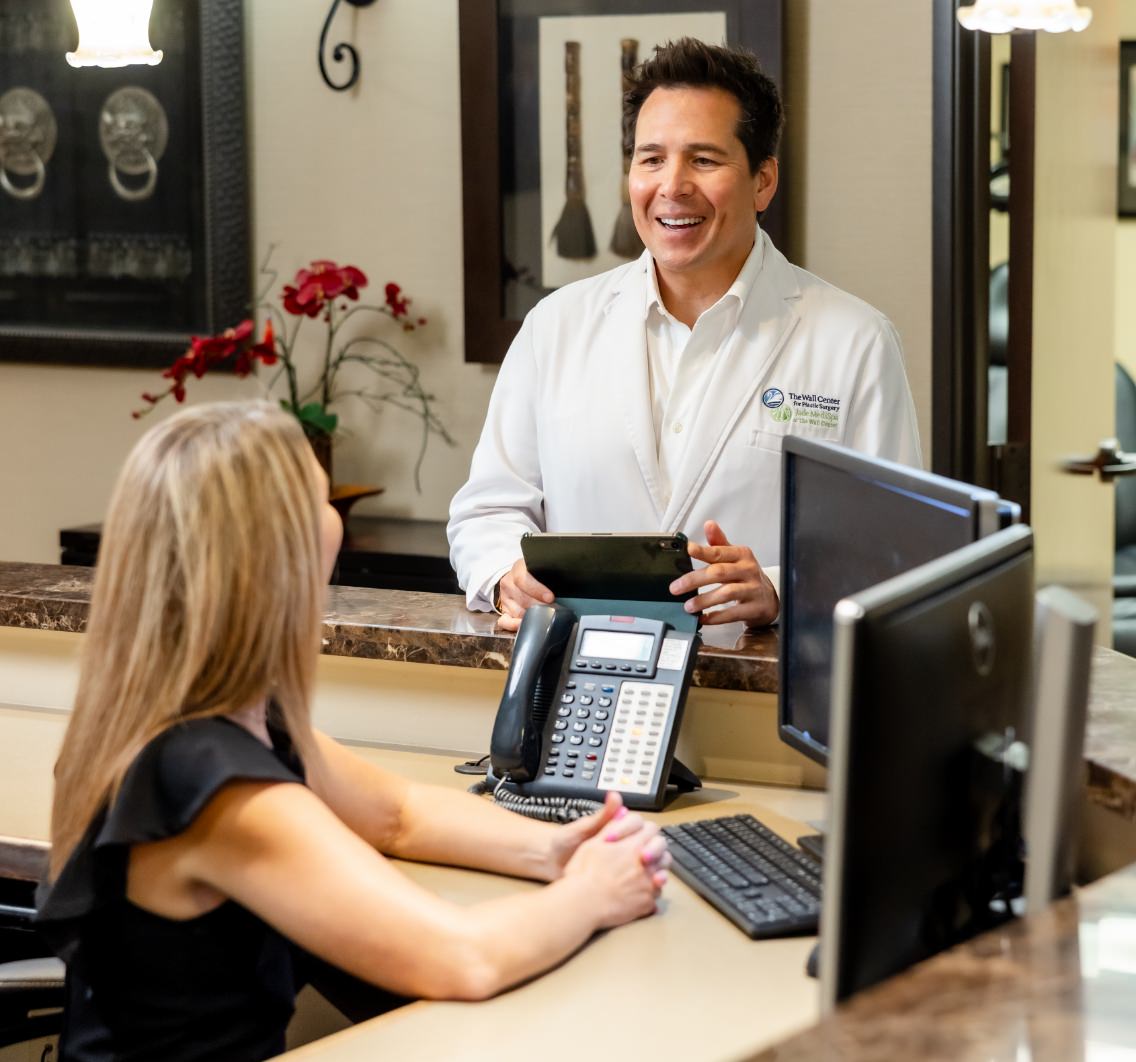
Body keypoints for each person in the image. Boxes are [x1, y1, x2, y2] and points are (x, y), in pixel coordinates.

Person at [35, 401, 669, 1062]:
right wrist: (593, 893)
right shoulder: (214, 782)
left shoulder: (213, 715)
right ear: (275, 559)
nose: (335, 518)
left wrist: (555, 850)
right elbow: (462, 958)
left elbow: (396, 813)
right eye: (320, 500)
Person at [448, 37, 922, 632]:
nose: (671, 186)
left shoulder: (854, 341)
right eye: (651, 159)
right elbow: (487, 510)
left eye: (703, 159)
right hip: (584, 690)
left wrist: (779, 587)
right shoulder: (556, 326)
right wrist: (504, 576)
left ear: (763, 181)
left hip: (758, 702)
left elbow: (894, 547)